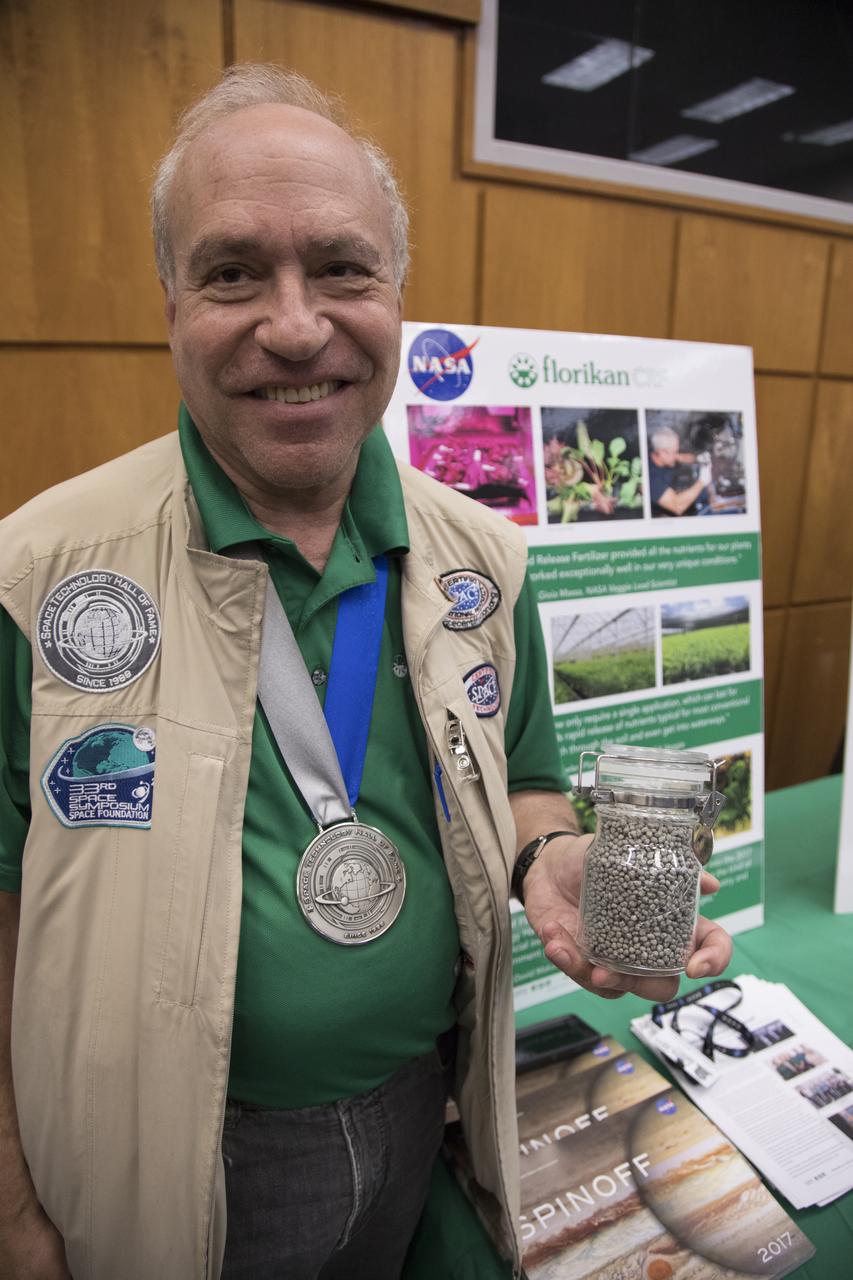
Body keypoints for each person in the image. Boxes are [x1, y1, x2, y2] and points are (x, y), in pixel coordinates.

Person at [0, 65, 732, 1280]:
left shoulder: (485, 561)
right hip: (155, 1158)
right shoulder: (34, 576)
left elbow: (530, 779)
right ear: (168, 299)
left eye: (342, 268)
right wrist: (11, 1201)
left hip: (416, 1110)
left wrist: (551, 857)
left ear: (396, 291)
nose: (295, 326)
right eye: (232, 270)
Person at [648, 425, 713, 517]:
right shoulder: (651, 478)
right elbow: (677, 507)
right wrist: (702, 481)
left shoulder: (659, 454)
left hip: (673, 490)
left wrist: (698, 458)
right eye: (674, 452)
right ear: (662, 452)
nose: (676, 455)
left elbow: (680, 457)